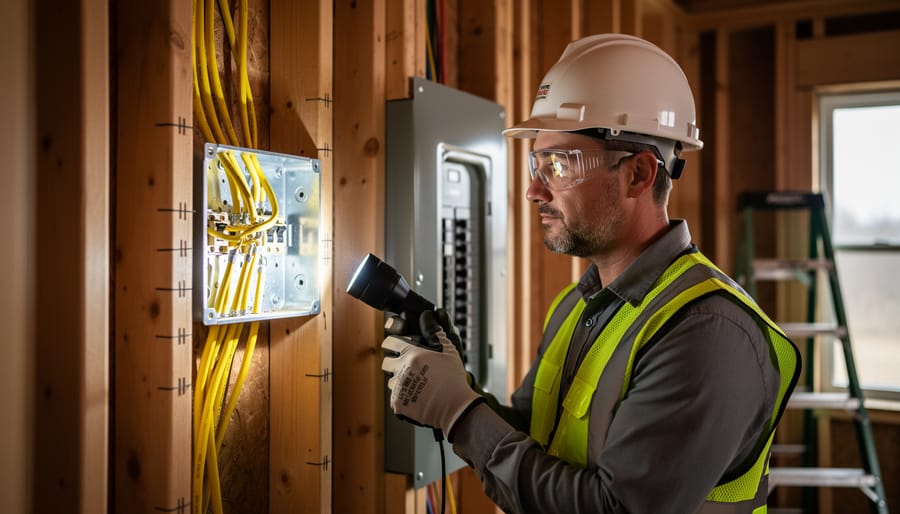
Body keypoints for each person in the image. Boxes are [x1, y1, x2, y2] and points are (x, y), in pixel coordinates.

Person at [381, 33, 800, 514]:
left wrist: (460, 414)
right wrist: (454, 388)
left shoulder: (707, 332)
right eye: (536, 163)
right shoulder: (577, 305)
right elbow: (534, 439)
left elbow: (614, 507)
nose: (534, 190)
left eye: (559, 164)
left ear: (638, 174)